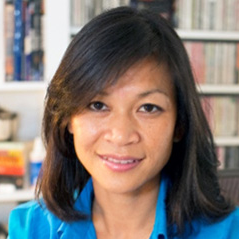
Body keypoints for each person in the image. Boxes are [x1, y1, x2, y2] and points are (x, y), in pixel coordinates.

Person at [8, 6, 239, 239]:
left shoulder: (230, 231)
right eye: (97, 105)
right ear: (67, 117)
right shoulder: (31, 228)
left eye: (148, 108)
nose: (120, 134)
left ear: (179, 124)